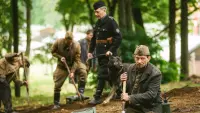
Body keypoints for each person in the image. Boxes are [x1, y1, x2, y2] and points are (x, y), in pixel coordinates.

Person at [88, 1, 122, 105]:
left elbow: (118, 37)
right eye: (95, 12)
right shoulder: (97, 23)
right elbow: (94, 39)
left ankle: (97, 97)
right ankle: (120, 93)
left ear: (104, 10)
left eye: (97, 12)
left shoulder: (111, 21)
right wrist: (90, 51)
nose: (96, 14)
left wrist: (111, 50)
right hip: (100, 54)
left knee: (102, 74)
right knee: (110, 75)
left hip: (110, 55)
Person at [120, 45, 162, 113]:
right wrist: (122, 81)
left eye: (142, 58)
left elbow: (151, 95)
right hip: (134, 106)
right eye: (137, 58)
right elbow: (127, 89)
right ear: (134, 58)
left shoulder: (155, 73)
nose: (139, 61)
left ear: (148, 58)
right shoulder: (130, 68)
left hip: (150, 107)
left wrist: (130, 98)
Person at [51, 31, 88, 109]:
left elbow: (77, 60)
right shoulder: (58, 42)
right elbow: (53, 52)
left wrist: (72, 71)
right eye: (68, 43)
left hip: (74, 64)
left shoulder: (77, 45)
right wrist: (60, 57)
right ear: (65, 39)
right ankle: (56, 103)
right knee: (57, 84)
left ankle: (80, 93)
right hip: (62, 66)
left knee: (83, 72)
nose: (70, 44)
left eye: (71, 42)